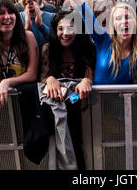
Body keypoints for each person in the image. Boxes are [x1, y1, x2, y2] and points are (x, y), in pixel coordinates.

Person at [39, 11, 96, 169]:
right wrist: (50, 79)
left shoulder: (87, 48)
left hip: (80, 110)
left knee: (82, 150)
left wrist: (86, 80)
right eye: (60, 28)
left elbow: (89, 77)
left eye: (71, 28)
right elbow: (43, 77)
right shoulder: (48, 49)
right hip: (57, 115)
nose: (65, 33)